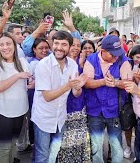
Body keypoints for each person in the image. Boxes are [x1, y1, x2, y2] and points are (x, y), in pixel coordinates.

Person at [31, 31, 87, 162]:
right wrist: (69, 85)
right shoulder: (43, 65)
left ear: (69, 47)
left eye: (64, 44)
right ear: (51, 44)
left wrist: (78, 87)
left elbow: (75, 93)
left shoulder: (73, 64)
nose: (59, 47)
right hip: (43, 118)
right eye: (56, 43)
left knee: (54, 153)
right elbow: (47, 96)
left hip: (60, 117)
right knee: (42, 155)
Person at [0, 32, 32, 162]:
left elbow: (29, 80)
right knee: (4, 147)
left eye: (8, 44)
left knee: (14, 144)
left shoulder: (22, 62)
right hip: (1, 112)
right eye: (1, 45)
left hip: (20, 110)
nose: (5, 47)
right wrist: (17, 76)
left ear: (14, 46)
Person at [83, 35, 132, 162]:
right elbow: (87, 83)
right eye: (113, 55)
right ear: (102, 51)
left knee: (116, 145)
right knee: (96, 144)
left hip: (114, 110)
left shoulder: (123, 61)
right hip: (94, 110)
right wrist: (103, 82)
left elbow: (128, 84)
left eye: (118, 54)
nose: (116, 57)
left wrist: (116, 82)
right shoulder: (91, 60)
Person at [56, 37, 91, 162]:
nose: (76, 48)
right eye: (73, 45)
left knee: (77, 141)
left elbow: (78, 92)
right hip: (61, 109)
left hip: (78, 108)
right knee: (63, 143)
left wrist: (77, 88)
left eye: (78, 45)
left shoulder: (82, 66)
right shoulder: (57, 64)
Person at [123, 45, 140, 159]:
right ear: (132, 55)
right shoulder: (127, 64)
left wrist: (138, 80)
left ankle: (138, 151)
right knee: (128, 125)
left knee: (139, 127)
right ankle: (128, 146)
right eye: (137, 57)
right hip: (128, 100)